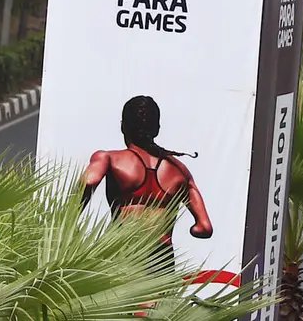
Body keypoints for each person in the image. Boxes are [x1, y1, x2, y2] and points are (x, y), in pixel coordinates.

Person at [81, 95, 212, 272]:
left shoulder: (109, 158)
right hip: (161, 258)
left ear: (123, 126)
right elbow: (204, 227)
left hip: (124, 252)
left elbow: (89, 180)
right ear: (156, 129)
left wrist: (69, 219)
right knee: (157, 300)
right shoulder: (179, 170)